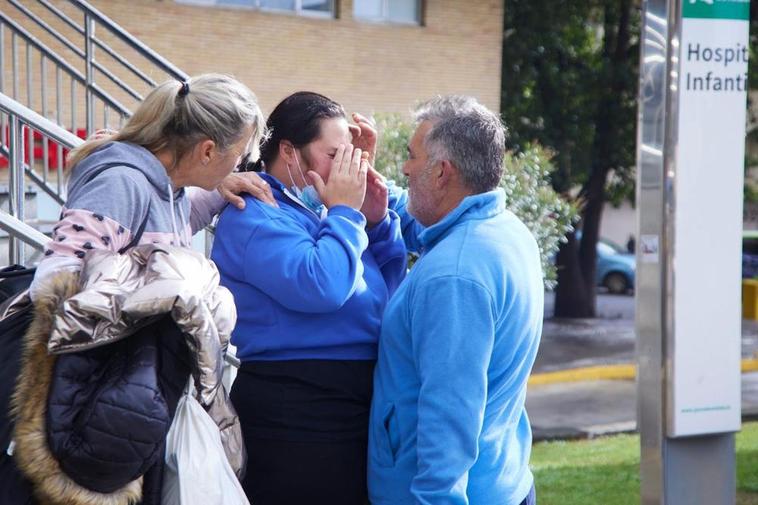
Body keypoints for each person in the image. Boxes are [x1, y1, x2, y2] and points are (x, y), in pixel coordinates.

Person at [211, 91, 407, 505]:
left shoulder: (320, 210)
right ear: (289, 152)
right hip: (296, 410)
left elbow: (382, 292)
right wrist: (348, 215)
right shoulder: (254, 212)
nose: (347, 168)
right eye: (335, 154)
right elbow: (323, 286)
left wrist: (374, 221)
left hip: (352, 400)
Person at [368, 96, 542, 505]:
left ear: (443, 172)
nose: (405, 169)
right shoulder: (504, 230)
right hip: (504, 481)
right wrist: (376, 197)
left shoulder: (454, 275)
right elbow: (429, 226)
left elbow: (450, 416)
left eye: (412, 158)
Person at [29, 73, 271, 299]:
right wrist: (168, 283)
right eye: (240, 154)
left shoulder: (170, 188)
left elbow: (167, 224)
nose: (239, 164)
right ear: (207, 151)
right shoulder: (120, 184)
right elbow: (54, 280)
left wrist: (224, 189)